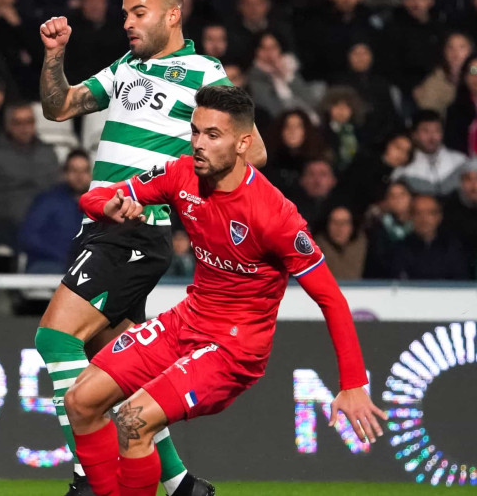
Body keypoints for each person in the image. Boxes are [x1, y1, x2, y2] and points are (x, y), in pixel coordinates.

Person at [70, 85, 383, 496]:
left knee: (133, 420)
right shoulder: (181, 174)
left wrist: (353, 383)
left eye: (212, 135)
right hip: (187, 321)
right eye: (195, 131)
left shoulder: (275, 217)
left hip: (233, 348)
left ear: (243, 143)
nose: (198, 144)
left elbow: (331, 298)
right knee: (80, 401)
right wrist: (107, 207)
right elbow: (96, 198)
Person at [35, 0, 266, 496]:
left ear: (171, 15)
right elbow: (60, 107)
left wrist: (180, 186)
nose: (128, 23)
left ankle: (87, 476)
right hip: (98, 226)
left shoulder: (205, 73)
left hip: (135, 229)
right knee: (111, 371)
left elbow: (253, 151)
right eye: (124, 14)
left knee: (53, 337)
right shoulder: (126, 66)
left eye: (138, 12)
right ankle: (182, 484)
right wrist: (54, 55)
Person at [0, 102, 58, 248]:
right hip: (8, 223)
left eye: (29, 122)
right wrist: (7, 210)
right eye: (18, 122)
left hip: (46, 223)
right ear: (8, 126)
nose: (24, 128)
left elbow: (58, 189)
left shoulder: (48, 154)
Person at [18, 149, 91, 273]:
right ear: (64, 173)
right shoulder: (47, 201)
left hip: (84, 267)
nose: (79, 176)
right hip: (49, 264)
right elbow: (28, 237)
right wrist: (62, 255)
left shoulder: (98, 204)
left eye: (84, 171)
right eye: (74, 170)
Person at [390, 194, 469, 280]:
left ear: (439, 217)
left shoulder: (453, 247)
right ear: (410, 217)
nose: (424, 219)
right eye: (418, 213)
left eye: (430, 213)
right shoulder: (400, 249)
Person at [393, 109, 468, 196]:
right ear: (414, 135)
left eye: (437, 131)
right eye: (425, 131)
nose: (432, 137)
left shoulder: (460, 162)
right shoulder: (403, 169)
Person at [315, 206, 367, 280]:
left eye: (344, 223)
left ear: (352, 226)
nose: (339, 228)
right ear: (327, 225)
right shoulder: (315, 248)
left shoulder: (362, 246)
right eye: (335, 222)